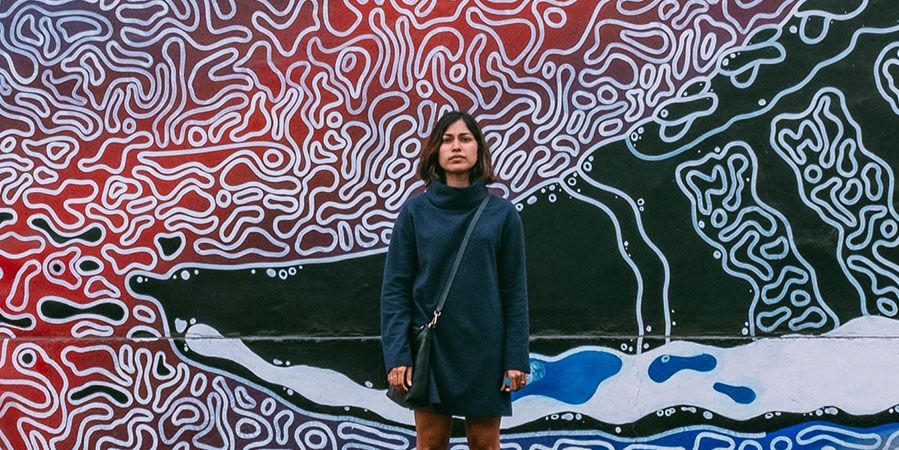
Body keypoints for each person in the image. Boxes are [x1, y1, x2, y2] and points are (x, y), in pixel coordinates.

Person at [380, 110, 530, 450]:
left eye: (465, 138)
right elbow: (395, 289)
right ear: (435, 151)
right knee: (431, 443)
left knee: (484, 443)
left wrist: (516, 358)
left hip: (486, 349)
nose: (456, 147)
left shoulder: (502, 214)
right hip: (432, 348)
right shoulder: (414, 212)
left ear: (479, 149)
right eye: (447, 140)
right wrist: (398, 355)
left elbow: (514, 292)